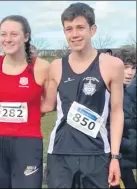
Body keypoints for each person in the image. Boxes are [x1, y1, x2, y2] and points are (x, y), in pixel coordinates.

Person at [41, 2, 124, 188]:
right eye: (68, 29)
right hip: (60, 153)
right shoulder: (55, 66)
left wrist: (115, 157)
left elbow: (117, 112)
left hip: (96, 153)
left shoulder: (112, 65)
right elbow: (47, 105)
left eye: (80, 27)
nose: (74, 34)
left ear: (92, 30)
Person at [0, 15, 49, 188]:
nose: (7, 39)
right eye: (3, 34)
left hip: (28, 141)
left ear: (26, 37)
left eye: (14, 34)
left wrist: (33, 110)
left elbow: (49, 104)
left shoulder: (41, 67)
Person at [108, 49, 136, 189]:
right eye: (125, 67)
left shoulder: (130, 93)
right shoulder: (106, 94)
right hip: (111, 155)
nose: (130, 72)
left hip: (126, 155)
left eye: (133, 68)